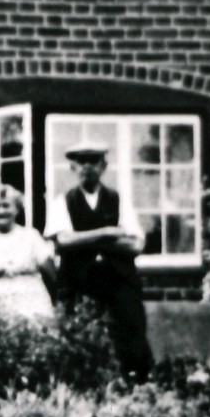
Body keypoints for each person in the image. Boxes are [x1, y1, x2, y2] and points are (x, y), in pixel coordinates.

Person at [43, 141, 155, 382]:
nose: (87, 166)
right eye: (81, 161)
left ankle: (135, 385)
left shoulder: (118, 199)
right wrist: (106, 233)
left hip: (118, 279)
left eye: (93, 161)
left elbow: (136, 244)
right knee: (78, 333)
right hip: (78, 280)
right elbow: (63, 240)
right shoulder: (62, 202)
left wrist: (84, 239)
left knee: (131, 330)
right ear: (72, 167)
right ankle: (84, 386)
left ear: (103, 166)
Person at [0, 184, 56, 322]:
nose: (1, 211)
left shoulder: (31, 236)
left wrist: (56, 305)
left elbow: (52, 275)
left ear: (17, 209)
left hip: (34, 303)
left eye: (6, 206)